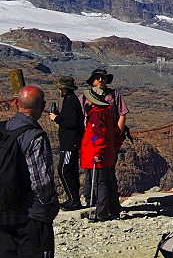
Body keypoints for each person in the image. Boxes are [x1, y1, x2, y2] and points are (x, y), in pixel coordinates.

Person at [0, 86, 59, 258]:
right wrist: (49, 208)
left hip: (3, 217)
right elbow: (42, 182)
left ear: (15, 104)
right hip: (32, 220)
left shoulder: (2, 131)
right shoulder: (34, 135)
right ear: (42, 107)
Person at [80, 69, 128, 207]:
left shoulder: (114, 95)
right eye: (97, 78)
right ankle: (94, 201)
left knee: (107, 174)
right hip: (91, 141)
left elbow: (122, 114)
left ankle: (108, 205)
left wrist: (115, 134)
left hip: (103, 141)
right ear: (92, 80)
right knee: (91, 174)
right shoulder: (83, 97)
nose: (100, 80)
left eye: (103, 78)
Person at [49, 76, 85, 211]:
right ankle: (73, 199)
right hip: (69, 142)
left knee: (64, 170)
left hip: (70, 143)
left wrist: (56, 118)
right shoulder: (69, 100)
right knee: (70, 170)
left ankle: (74, 200)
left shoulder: (71, 101)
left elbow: (72, 122)